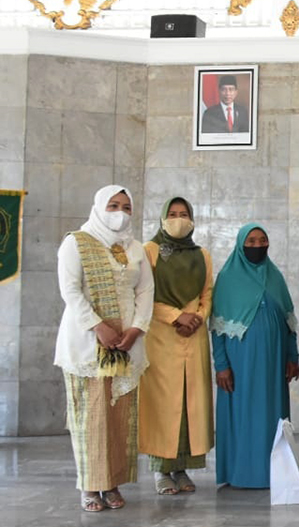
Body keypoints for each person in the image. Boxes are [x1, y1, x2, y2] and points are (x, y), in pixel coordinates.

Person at [55, 185, 153, 512]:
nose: (120, 212)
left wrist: (137, 328)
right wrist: (99, 327)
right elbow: (70, 291)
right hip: (87, 345)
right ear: (99, 207)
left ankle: (111, 483)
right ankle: (89, 485)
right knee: (90, 418)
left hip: (127, 344)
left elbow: (146, 291)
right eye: (113, 205)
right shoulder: (76, 242)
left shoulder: (135, 248)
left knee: (119, 418)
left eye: (126, 207)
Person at [211, 223, 299, 488]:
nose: (257, 246)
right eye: (251, 241)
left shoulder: (275, 277)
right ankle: (241, 473)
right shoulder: (227, 279)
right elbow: (217, 328)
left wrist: (292, 356)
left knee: (272, 415)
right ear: (241, 245)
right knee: (242, 415)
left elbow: (289, 322)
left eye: (262, 240)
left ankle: (274, 472)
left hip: (273, 363)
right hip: (240, 363)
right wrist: (221, 365)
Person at [138, 197, 214, 496]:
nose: (178, 219)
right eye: (172, 214)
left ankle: (182, 468)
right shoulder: (149, 250)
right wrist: (175, 316)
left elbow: (207, 292)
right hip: (161, 336)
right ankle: (161, 470)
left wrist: (198, 317)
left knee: (189, 405)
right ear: (162, 218)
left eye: (184, 214)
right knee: (163, 403)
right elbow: (145, 294)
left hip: (194, 335)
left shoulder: (202, 254)